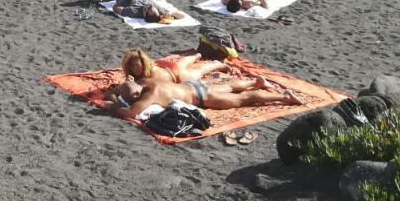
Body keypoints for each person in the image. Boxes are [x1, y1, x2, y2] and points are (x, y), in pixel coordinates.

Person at [112, 72, 302, 118]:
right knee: (228, 86)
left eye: (135, 96)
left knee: (244, 99)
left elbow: (130, 113)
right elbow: (126, 91)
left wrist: (111, 105)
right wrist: (116, 94)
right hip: (191, 86)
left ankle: (284, 96)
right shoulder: (145, 80)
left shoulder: (150, 94)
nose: (137, 99)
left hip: (201, 98)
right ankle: (255, 81)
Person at [120, 48, 224, 85]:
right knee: (182, 63)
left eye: (137, 65)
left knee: (199, 72)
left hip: (176, 76)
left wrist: (131, 84)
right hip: (167, 67)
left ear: (143, 63)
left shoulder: (150, 74)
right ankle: (196, 55)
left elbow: (144, 91)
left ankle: (216, 64)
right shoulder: (146, 66)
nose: (134, 69)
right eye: (132, 66)